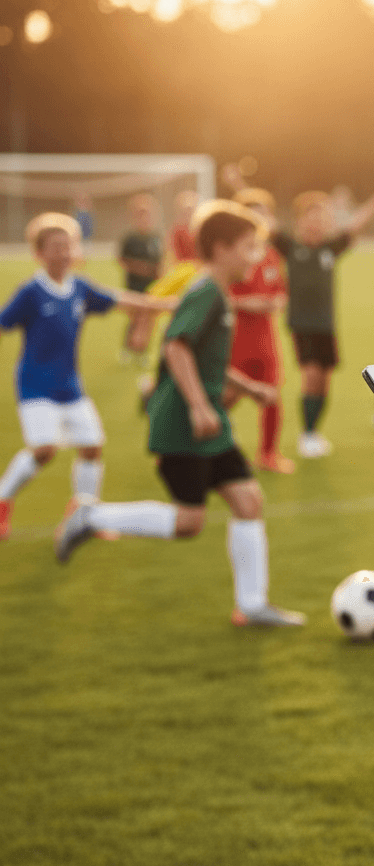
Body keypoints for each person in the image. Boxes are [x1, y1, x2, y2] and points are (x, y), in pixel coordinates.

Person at [54, 201, 306, 628]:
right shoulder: (205, 291)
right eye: (248, 247)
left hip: (209, 422)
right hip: (184, 424)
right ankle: (90, 514)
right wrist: (199, 405)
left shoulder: (220, 293)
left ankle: (252, 605)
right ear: (221, 248)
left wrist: (247, 388)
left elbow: (206, 359)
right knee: (189, 520)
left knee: (248, 500)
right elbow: (176, 348)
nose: (256, 256)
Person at [0, 214, 164, 539]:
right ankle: (3, 500)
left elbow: (119, 299)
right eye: (56, 247)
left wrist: (164, 304)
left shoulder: (79, 286)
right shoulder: (31, 292)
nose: (64, 253)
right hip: (35, 386)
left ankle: (84, 515)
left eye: (68, 246)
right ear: (40, 253)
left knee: (92, 447)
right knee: (44, 451)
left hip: (70, 386)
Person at [274, 168, 374, 457]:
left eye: (322, 216)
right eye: (312, 216)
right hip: (302, 323)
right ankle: (306, 434)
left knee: (324, 379)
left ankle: (315, 432)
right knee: (310, 374)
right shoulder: (290, 247)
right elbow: (260, 219)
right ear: (300, 220)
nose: (317, 222)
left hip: (326, 324)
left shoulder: (330, 248)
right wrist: (236, 184)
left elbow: (360, 221)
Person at [222, 188, 294, 473]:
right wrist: (244, 304)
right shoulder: (231, 256)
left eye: (264, 213)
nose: (260, 219)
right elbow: (217, 295)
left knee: (272, 396)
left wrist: (276, 301)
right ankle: (191, 443)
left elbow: (281, 291)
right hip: (234, 338)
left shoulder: (273, 256)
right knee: (224, 398)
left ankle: (268, 455)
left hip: (266, 339)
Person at [118, 192, 164, 366]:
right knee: (136, 317)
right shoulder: (130, 238)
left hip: (153, 285)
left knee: (149, 318)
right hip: (134, 283)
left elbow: (160, 259)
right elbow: (123, 260)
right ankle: (128, 348)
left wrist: (160, 273)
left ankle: (144, 350)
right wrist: (142, 268)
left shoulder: (155, 236)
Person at [169, 189, 199, 263]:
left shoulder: (199, 228)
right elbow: (175, 253)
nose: (188, 213)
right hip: (184, 267)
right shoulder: (177, 230)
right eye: (185, 211)